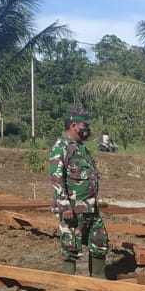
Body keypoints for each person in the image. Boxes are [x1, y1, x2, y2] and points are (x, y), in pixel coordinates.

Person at [49, 111, 109, 276]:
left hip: (90, 207)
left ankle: (98, 279)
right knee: (70, 246)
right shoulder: (61, 147)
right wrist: (64, 206)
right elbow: (56, 178)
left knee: (99, 241)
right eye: (85, 126)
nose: (87, 129)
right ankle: (69, 285)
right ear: (74, 126)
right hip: (73, 209)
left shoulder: (81, 148)